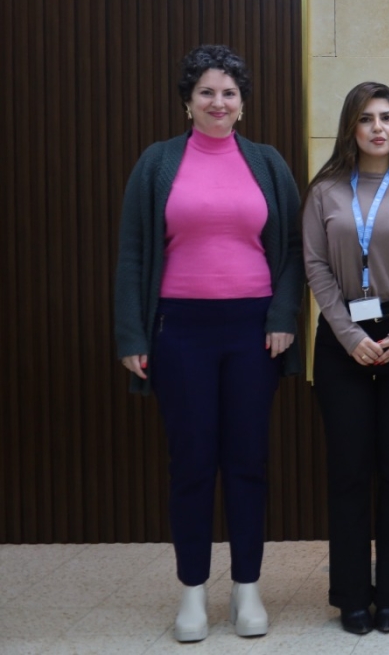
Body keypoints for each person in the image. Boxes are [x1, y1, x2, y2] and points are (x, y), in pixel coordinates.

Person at [113, 45, 303, 643]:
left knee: (247, 463)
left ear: (243, 105)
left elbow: (294, 251)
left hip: (252, 333)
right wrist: (132, 334)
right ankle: (192, 594)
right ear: (187, 102)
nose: (218, 103)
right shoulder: (157, 163)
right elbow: (134, 252)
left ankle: (247, 590)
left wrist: (282, 316)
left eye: (229, 93)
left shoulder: (267, 164)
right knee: (192, 464)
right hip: (182, 334)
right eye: (206, 93)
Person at [302, 82, 389, 636]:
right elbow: (315, 265)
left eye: (387, 118)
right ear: (350, 129)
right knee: (350, 471)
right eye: (366, 119)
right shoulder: (325, 191)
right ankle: (352, 593)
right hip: (342, 342)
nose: (378, 127)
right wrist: (347, 332)